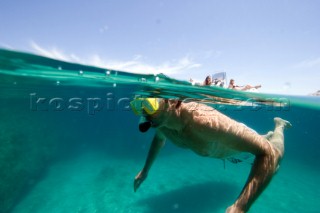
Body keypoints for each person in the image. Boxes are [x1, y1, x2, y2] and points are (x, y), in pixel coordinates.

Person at [130, 98, 291, 213]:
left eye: (149, 105)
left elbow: (268, 154)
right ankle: (267, 136)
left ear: (174, 101)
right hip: (226, 154)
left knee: (275, 158)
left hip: (242, 151)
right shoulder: (161, 123)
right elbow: (159, 140)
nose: (145, 113)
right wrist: (145, 171)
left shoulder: (203, 121)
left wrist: (240, 207)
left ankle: (279, 126)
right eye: (138, 106)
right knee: (266, 157)